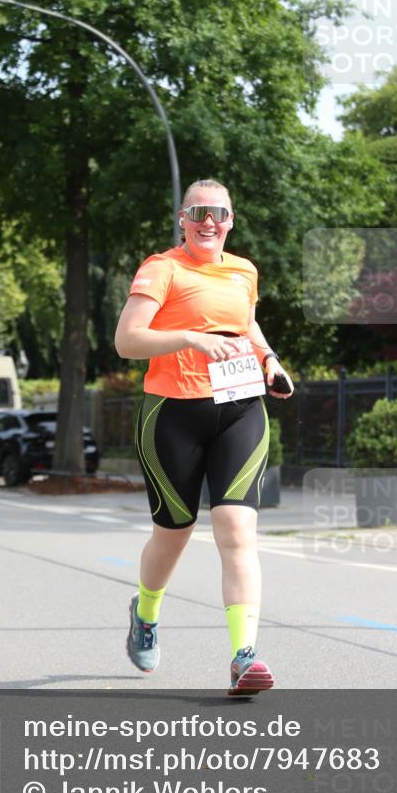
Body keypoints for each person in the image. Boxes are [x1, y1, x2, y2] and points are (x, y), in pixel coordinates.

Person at [114, 179, 294, 695]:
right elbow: (127, 341)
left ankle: (244, 656)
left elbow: (248, 325)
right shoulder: (161, 269)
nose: (208, 220)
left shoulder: (243, 270)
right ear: (182, 218)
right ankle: (145, 613)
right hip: (173, 412)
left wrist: (270, 360)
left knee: (237, 531)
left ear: (231, 219)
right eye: (198, 212)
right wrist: (191, 337)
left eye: (218, 212)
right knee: (173, 532)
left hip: (239, 409)